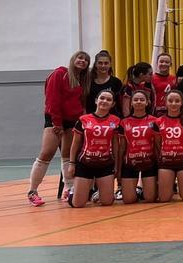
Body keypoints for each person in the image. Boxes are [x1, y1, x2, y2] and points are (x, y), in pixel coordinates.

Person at [27, 51, 90, 206]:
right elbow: (52, 100)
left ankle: (68, 189)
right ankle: (32, 191)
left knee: (68, 155)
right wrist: (57, 123)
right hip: (55, 119)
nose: (82, 61)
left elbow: (80, 103)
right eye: (80, 58)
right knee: (46, 153)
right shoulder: (59, 74)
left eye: (86, 60)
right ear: (73, 59)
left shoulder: (82, 80)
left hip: (72, 121)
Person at [68, 90, 121, 208]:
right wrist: (72, 164)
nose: (105, 101)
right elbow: (75, 144)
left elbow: (116, 145)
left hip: (105, 164)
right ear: (96, 100)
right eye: (102, 98)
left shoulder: (115, 121)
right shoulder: (83, 119)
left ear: (112, 104)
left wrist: (116, 165)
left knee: (107, 202)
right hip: (85, 163)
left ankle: (97, 192)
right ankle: (73, 191)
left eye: (109, 99)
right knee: (78, 204)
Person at [155, 90, 183, 203]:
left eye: (177, 101)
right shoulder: (158, 121)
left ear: (181, 103)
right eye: (170, 101)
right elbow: (158, 143)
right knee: (164, 199)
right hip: (166, 162)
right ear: (166, 103)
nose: (173, 104)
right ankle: (168, 186)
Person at [118, 90, 157, 204]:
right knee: (129, 200)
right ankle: (138, 190)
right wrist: (119, 169)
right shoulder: (124, 122)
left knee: (150, 199)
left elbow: (158, 144)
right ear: (131, 103)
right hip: (130, 162)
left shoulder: (154, 121)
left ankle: (142, 190)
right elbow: (121, 148)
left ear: (147, 103)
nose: (138, 102)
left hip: (149, 162)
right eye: (135, 100)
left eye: (141, 100)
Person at [87, 50, 123, 116]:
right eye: (100, 63)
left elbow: (120, 104)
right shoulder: (88, 81)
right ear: (95, 64)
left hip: (112, 119)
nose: (103, 66)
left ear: (110, 65)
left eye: (106, 63)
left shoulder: (116, 82)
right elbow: (84, 102)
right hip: (92, 119)